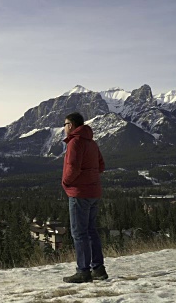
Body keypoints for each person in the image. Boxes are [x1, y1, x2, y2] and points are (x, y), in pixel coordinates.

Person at [61, 112, 108, 283]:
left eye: (65, 124)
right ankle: (98, 269)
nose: (64, 128)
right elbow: (101, 166)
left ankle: (83, 271)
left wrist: (66, 182)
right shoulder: (92, 143)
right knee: (91, 231)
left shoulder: (75, 142)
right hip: (94, 193)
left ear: (71, 125)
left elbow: (72, 168)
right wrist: (91, 177)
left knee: (79, 233)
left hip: (79, 194)